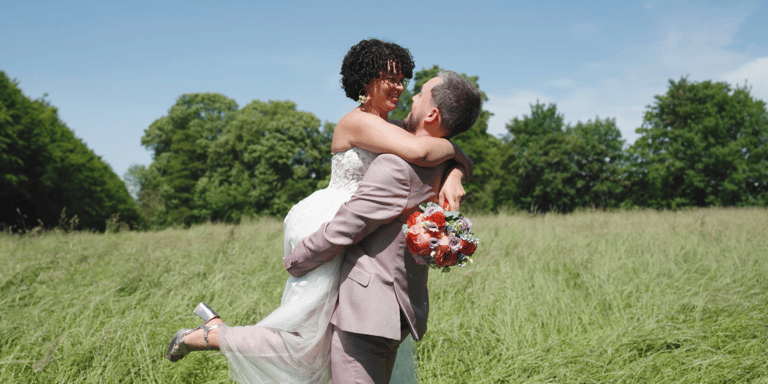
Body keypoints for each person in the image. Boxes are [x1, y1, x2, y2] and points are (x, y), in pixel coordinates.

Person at [164, 39, 473, 383]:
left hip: (358, 228)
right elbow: (422, 150)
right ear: (367, 80)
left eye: (403, 79)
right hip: (329, 221)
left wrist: (456, 173)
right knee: (307, 339)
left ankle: (213, 332)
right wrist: (453, 153)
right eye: (392, 78)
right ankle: (210, 336)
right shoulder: (359, 122)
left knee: (322, 341)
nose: (401, 87)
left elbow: (442, 148)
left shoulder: (396, 127)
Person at [285, 70, 482, 384]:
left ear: (432, 114)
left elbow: (347, 227)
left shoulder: (399, 164)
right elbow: (454, 157)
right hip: (401, 300)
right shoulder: (438, 161)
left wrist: (296, 260)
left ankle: (213, 335)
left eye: (420, 93)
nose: (408, 94)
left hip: (368, 306)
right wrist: (455, 161)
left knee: (293, 344)